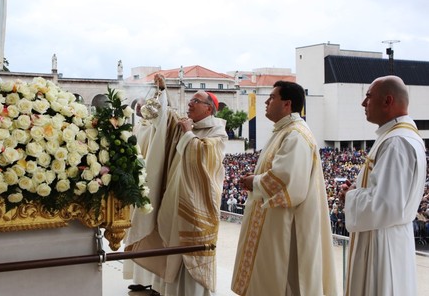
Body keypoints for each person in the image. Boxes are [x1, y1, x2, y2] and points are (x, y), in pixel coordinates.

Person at [124, 75, 228, 296]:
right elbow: (165, 117)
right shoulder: (184, 123)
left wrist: (188, 133)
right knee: (169, 241)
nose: (190, 104)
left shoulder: (217, 131)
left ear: (209, 109)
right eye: (190, 101)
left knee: (189, 248)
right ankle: (165, 288)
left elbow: (205, 155)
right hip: (174, 195)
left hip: (196, 203)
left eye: (195, 101)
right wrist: (162, 91)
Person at [231, 81, 337, 296]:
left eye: (272, 98)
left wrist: (255, 182)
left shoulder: (296, 135)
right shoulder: (284, 130)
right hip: (274, 221)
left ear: (287, 104)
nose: (267, 102)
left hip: (288, 226)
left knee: (287, 280)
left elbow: (288, 183)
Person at [340, 75, 426, 296]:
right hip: (388, 237)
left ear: (388, 101)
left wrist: (350, 196)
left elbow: (386, 205)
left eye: (368, 97)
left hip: (382, 244)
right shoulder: (398, 136)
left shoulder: (396, 142)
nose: (363, 103)